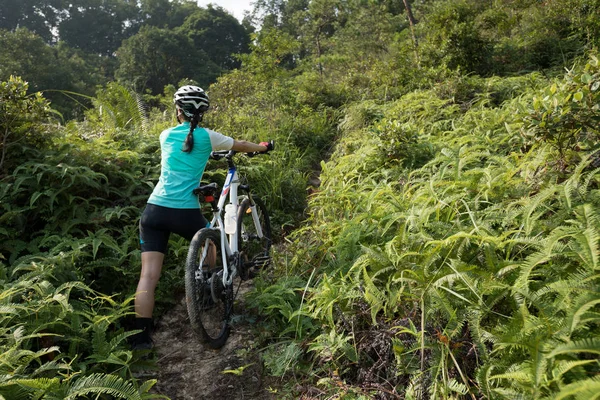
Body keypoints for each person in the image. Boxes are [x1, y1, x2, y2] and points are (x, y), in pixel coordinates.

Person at [131, 85, 272, 350]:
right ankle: (206, 293)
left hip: (154, 211)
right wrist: (263, 147)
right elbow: (240, 145)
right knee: (216, 241)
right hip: (184, 211)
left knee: (148, 276)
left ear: (178, 111)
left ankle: (141, 339)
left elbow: (185, 147)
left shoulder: (164, 135)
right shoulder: (208, 137)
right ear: (203, 112)